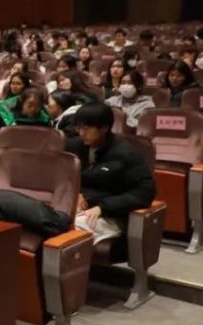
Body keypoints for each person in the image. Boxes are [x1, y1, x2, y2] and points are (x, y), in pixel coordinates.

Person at [66, 103, 155, 243]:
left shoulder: (126, 154)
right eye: (79, 128)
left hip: (111, 214)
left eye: (86, 129)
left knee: (69, 229)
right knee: (53, 221)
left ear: (104, 128)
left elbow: (145, 193)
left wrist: (103, 207)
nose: (81, 133)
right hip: (80, 207)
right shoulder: (74, 146)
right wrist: (77, 193)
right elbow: (65, 178)